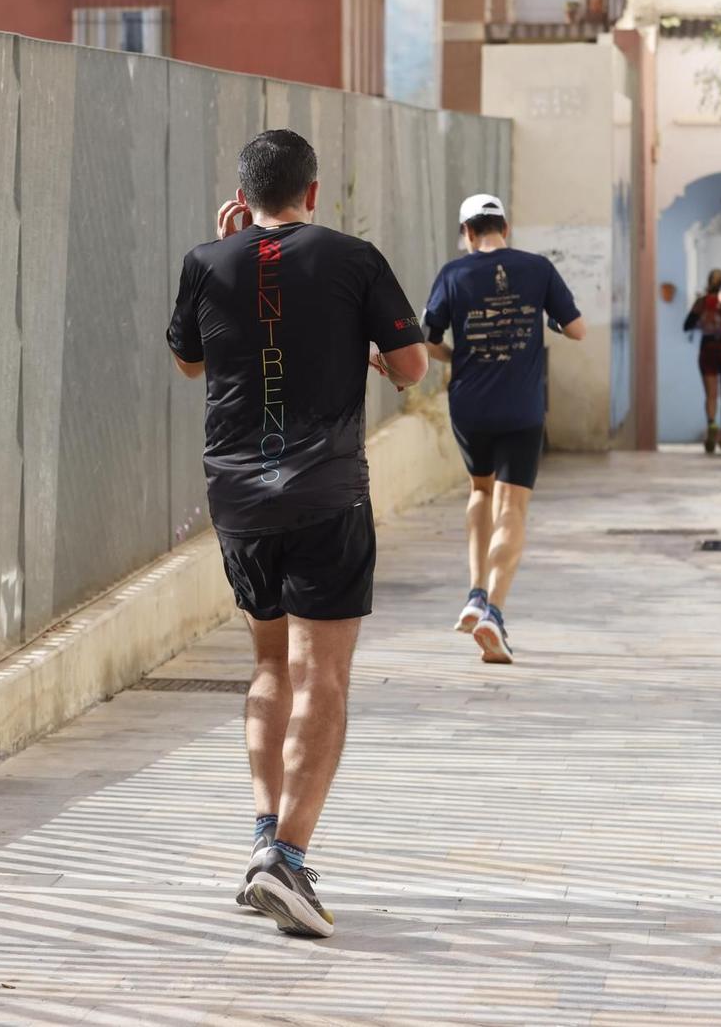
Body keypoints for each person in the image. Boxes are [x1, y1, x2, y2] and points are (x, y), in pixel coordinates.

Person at [167, 128, 427, 940]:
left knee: (270, 663)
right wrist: (379, 359)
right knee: (324, 676)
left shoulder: (208, 261)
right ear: (313, 194)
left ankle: (261, 835)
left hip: (240, 501)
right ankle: (287, 857)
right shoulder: (353, 257)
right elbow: (414, 365)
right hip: (324, 495)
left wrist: (228, 253)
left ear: (243, 197)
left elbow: (187, 362)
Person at [420, 194, 585, 665]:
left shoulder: (454, 274)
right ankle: (494, 610)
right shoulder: (537, 269)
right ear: (504, 227)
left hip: (470, 406)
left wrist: (458, 357)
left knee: (480, 492)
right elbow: (577, 330)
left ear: (467, 232)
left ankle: (474, 594)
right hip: (521, 407)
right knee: (513, 504)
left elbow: (426, 339)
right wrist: (547, 319)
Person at [682, 268, 721, 453]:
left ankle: (712, 424)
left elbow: (687, 325)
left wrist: (703, 322)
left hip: (708, 348)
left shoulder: (702, 302)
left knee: (711, 394)